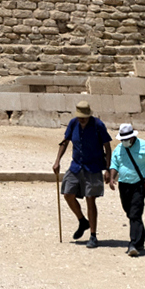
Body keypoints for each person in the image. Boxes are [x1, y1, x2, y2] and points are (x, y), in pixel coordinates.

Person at [52, 97, 111, 246]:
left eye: (84, 118)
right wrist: (57, 160)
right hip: (76, 166)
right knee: (67, 193)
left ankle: (93, 235)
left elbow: (108, 148)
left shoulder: (98, 125)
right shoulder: (73, 123)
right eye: (80, 117)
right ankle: (82, 221)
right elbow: (65, 141)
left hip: (93, 167)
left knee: (90, 199)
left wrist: (108, 169)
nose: (82, 120)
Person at [108, 120, 145, 257]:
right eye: (123, 139)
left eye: (127, 138)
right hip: (124, 185)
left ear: (132, 136)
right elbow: (114, 164)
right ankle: (140, 241)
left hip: (139, 184)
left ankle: (133, 244)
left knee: (135, 213)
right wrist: (111, 178)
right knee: (130, 213)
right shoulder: (119, 149)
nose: (125, 141)